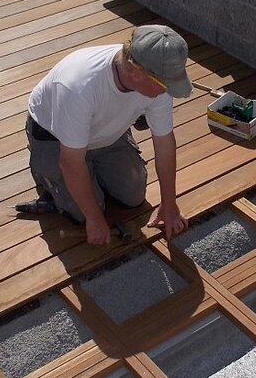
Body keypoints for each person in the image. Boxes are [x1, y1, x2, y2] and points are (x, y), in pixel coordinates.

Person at [23, 25, 191, 245]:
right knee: (84, 213)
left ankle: (92, 177)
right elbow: (71, 164)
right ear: (136, 73)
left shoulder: (157, 76)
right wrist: (94, 219)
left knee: (133, 196)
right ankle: (46, 174)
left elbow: (164, 143)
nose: (168, 91)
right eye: (166, 85)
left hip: (105, 132)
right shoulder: (78, 86)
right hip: (55, 138)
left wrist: (169, 203)